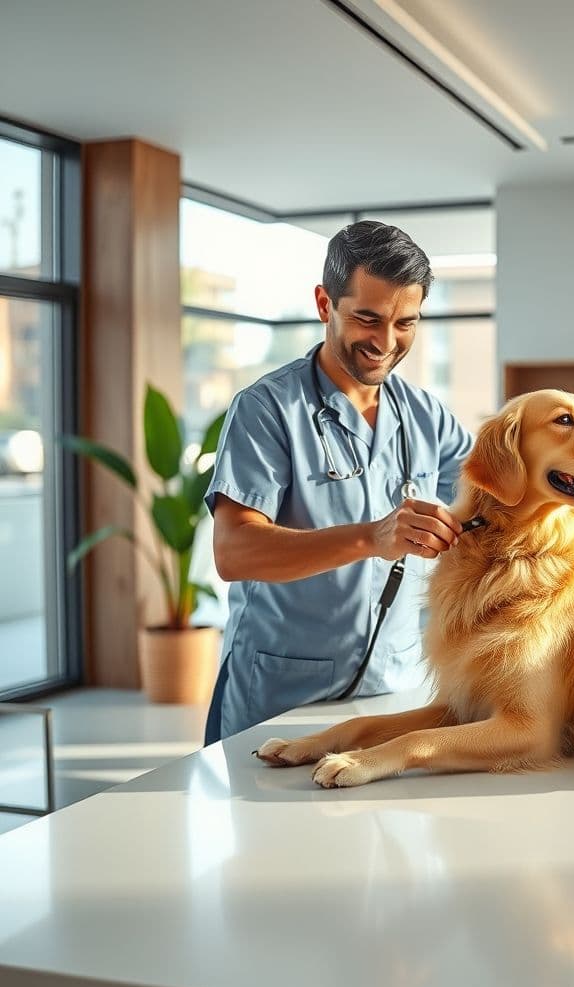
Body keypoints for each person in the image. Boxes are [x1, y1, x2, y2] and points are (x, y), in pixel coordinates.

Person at [203, 220, 474, 743]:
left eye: (406, 324)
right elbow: (234, 552)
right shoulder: (266, 410)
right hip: (281, 697)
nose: (386, 342)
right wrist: (372, 538)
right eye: (367, 319)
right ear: (325, 304)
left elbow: (486, 500)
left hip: (388, 693)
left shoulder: (425, 415)